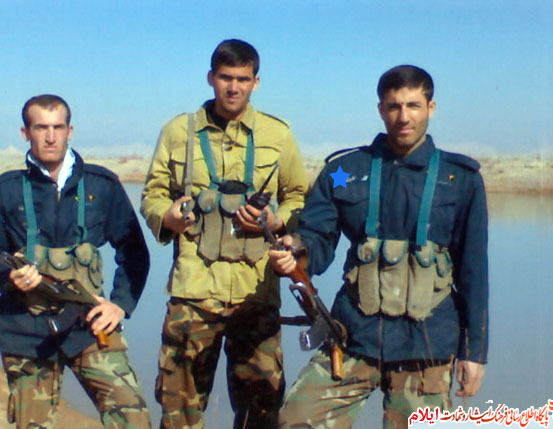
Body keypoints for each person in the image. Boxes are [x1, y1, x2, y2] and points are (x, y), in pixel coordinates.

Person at [269, 65, 489, 428]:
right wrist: (296, 248)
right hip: (353, 336)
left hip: (426, 346)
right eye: (394, 106)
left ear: (431, 107)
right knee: (295, 420)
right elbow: (317, 238)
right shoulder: (344, 171)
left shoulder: (460, 179)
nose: (404, 117)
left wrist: (474, 351)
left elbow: (474, 272)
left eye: (413, 105)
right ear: (380, 109)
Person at [141, 39, 307, 429]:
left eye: (243, 79)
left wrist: (276, 220)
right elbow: (152, 193)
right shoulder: (178, 131)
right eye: (225, 78)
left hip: (255, 293)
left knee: (260, 410)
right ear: (211, 78)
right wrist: (167, 216)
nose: (233, 87)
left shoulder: (278, 134)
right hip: (193, 293)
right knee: (179, 409)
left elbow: (299, 196)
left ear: (256, 82)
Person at [0, 95, 151, 428]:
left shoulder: (102, 185)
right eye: (41, 127)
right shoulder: (6, 190)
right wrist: (10, 278)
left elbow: (134, 253)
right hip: (26, 333)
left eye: (58, 127)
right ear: (25, 132)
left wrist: (120, 306)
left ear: (70, 131)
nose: (50, 137)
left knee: (133, 417)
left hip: (90, 325)